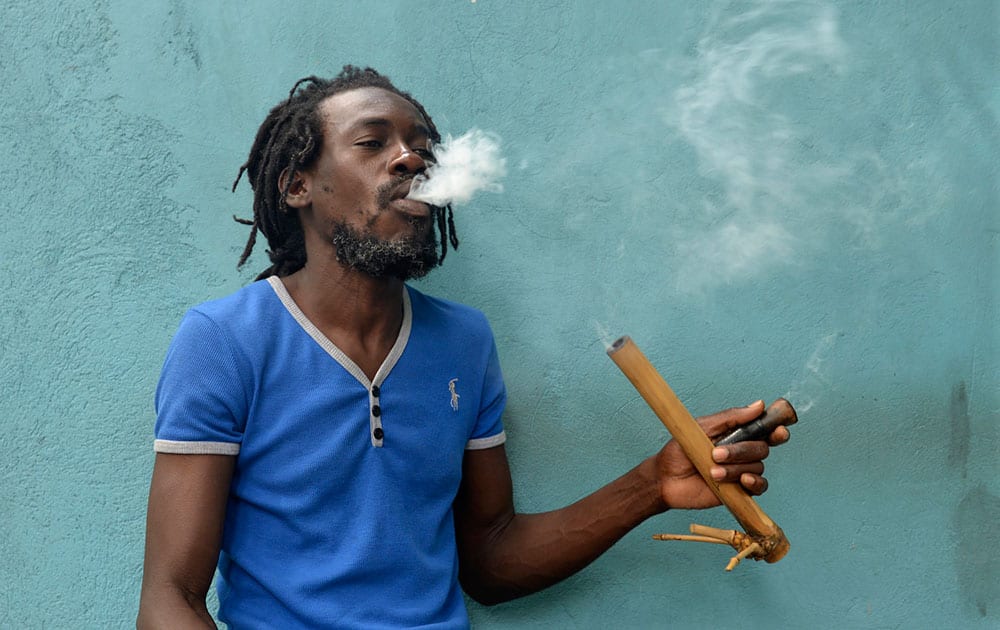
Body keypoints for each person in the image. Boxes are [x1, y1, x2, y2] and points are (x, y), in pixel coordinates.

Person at [137, 65, 789, 629]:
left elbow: (491, 558)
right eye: (373, 142)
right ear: (297, 185)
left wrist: (653, 484)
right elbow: (169, 599)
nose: (411, 159)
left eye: (423, 148)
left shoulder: (463, 341)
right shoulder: (223, 341)